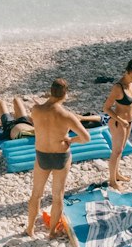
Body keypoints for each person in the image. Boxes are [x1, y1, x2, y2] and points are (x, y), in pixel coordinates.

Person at [26, 79, 89, 238]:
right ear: (65, 94)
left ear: (50, 91)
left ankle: (30, 228)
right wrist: (70, 140)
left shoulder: (36, 109)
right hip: (61, 155)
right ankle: (52, 231)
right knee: (57, 195)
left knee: (36, 194)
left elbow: (40, 124)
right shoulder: (67, 115)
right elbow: (86, 138)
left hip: (42, 155)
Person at [102, 61, 132, 190]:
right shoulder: (118, 87)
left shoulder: (131, 85)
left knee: (121, 149)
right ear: (126, 72)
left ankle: (117, 174)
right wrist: (120, 120)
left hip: (129, 122)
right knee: (116, 151)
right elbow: (106, 108)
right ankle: (112, 181)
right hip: (118, 123)